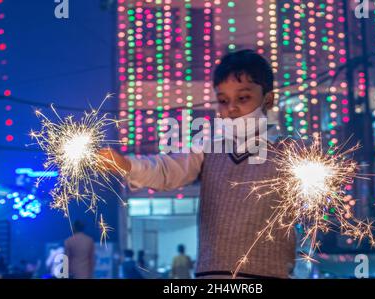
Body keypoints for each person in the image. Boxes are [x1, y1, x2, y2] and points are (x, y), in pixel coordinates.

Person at [100, 49, 296, 279]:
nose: (231, 108)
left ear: (268, 99)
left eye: (243, 98)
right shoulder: (207, 147)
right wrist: (128, 165)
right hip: (211, 275)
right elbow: (167, 170)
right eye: (223, 100)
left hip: (267, 275)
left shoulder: (290, 151)